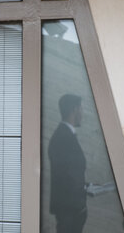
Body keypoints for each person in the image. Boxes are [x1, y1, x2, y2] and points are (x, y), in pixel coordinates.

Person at [48, 94, 87, 233]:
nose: (83, 113)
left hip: (72, 211)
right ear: (75, 109)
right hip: (70, 212)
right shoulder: (63, 137)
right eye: (81, 108)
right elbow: (66, 176)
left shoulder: (65, 135)